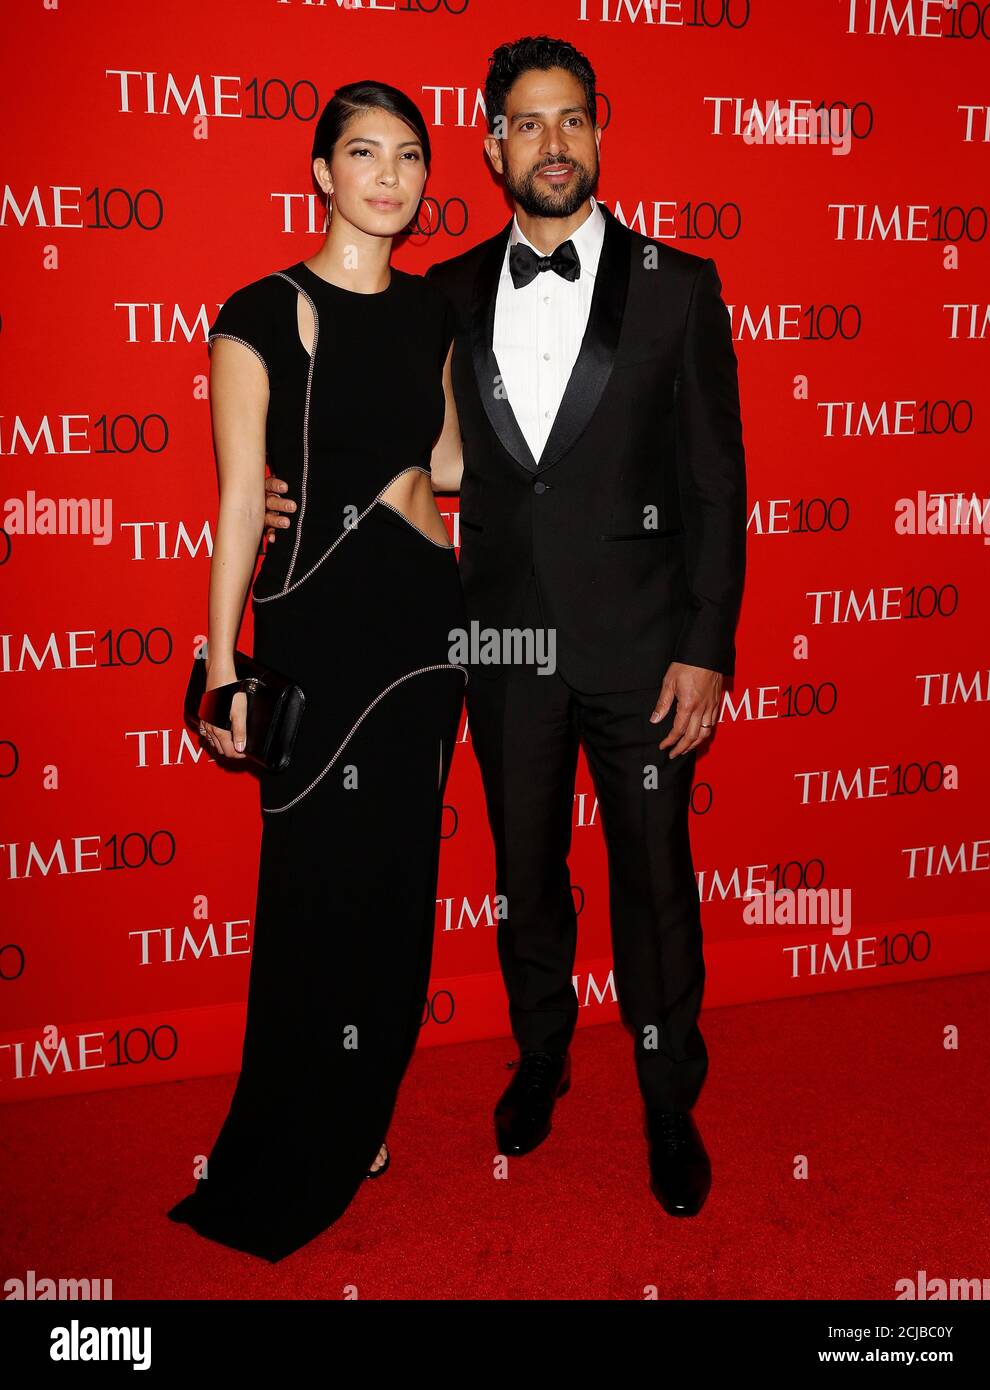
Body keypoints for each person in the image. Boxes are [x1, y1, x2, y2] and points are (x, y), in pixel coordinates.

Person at [265, 38, 747, 1219]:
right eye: (526, 126)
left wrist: (706, 646)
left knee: (653, 882)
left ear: (597, 133)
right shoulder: (445, 295)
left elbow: (716, 485)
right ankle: (541, 1060)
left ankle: (666, 1097)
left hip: (643, 646)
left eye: (571, 121)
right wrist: (286, 487)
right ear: (490, 147)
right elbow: (394, 441)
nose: (553, 145)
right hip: (498, 644)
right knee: (524, 874)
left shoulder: (680, 284)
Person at [167, 81, 468, 1263]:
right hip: (317, 622)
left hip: (422, 626)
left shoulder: (433, 310)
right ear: (319, 171)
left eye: (407, 156)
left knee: (397, 885)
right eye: (362, 153)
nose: (387, 177)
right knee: (311, 891)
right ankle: (298, 1127)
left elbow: (445, 456)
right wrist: (220, 664)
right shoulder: (262, 309)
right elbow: (240, 496)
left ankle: (363, 1113)